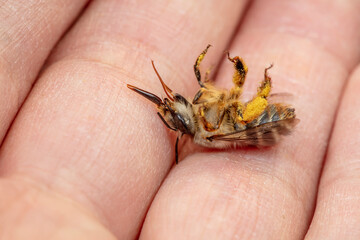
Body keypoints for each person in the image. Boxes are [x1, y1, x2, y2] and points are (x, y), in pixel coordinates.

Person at [0, 0, 359, 239]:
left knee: (234, 100)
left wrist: (202, 67)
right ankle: (257, 82)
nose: (177, 106)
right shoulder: (210, 130)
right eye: (177, 116)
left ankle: (257, 82)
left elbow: (203, 89)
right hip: (255, 120)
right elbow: (240, 113)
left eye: (174, 108)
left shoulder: (202, 107)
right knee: (240, 108)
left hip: (252, 117)